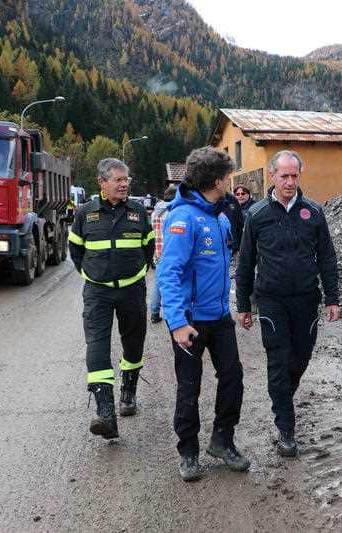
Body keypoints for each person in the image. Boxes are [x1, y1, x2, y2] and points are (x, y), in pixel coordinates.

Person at [236, 150, 340, 457]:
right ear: (272, 176)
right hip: (271, 300)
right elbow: (246, 263)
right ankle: (286, 428)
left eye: (295, 176)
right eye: (284, 176)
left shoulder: (314, 212)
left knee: (300, 358)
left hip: (306, 299)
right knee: (279, 361)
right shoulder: (257, 215)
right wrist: (243, 305)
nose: (290, 182)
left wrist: (332, 298)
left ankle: (283, 396)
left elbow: (327, 258)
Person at [157, 147, 250, 482]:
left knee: (233, 378)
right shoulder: (182, 219)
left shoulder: (219, 216)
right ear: (216, 180)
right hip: (191, 321)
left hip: (220, 317)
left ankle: (222, 441)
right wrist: (177, 323)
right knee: (189, 388)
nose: (230, 182)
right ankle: (188, 452)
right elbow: (168, 273)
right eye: (227, 177)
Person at [68, 158, 154, 439]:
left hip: (132, 290)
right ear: (102, 182)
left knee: (133, 342)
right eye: (118, 179)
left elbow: (149, 248)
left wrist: (136, 273)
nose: (124, 184)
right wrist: (92, 275)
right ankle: (105, 412)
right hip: (97, 292)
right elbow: (76, 251)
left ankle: (128, 392)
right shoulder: (85, 213)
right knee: (97, 345)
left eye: (126, 179)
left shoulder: (138, 212)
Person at [150, 185, 178, 323]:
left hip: (158, 253)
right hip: (172, 253)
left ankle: (154, 312)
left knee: (158, 282)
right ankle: (172, 316)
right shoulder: (174, 212)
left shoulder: (155, 212)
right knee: (173, 284)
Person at [220, 189, 244, 255]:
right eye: (238, 194)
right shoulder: (207, 200)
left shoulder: (232, 200)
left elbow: (240, 225)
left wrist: (238, 247)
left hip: (232, 249)